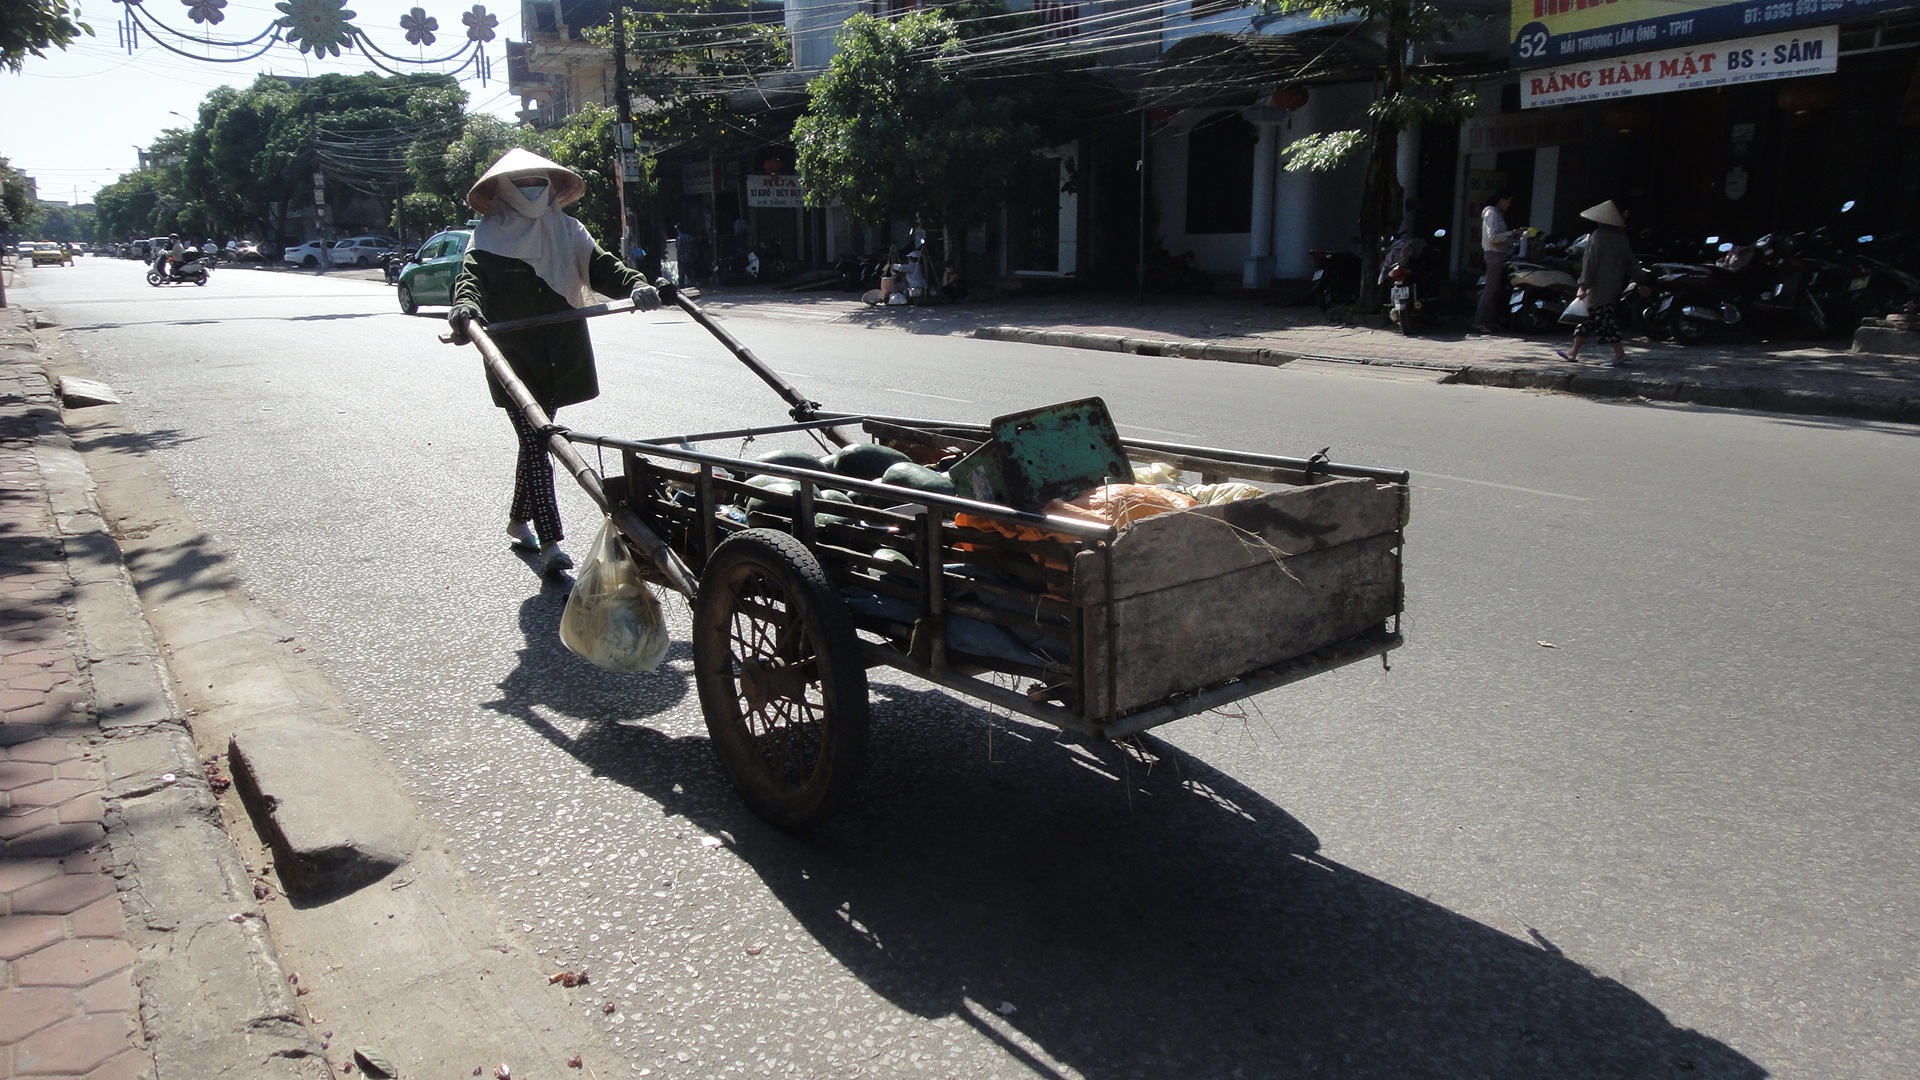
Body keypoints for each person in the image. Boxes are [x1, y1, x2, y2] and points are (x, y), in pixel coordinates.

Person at [448, 148, 661, 576]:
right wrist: (464, 309)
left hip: (558, 351)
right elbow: (469, 283)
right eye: (522, 182)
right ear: (504, 190)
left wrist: (637, 284)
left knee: (536, 439)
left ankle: (516, 520)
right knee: (539, 441)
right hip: (513, 356)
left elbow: (604, 268)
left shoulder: (569, 230)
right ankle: (550, 543)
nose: (532, 189)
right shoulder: (488, 238)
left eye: (538, 181)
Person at [1557, 200, 1648, 368]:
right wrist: (1641, 281)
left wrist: (1583, 285)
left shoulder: (1598, 236)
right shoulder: (1621, 238)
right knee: (1588, 320)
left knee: (1605, 320)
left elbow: (1590, 263)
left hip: (1598, 286)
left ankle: (1620, 354)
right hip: (1613, 285)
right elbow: (1631, 262)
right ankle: (1573, 352)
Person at [1471, 191, 1518, 334]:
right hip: (1493, 255)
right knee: (1490, 290)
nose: (1509, 205)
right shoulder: (1491, 213)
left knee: (1495, 290)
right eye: (1508, 201)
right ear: (1501, 200)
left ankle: (1490, 322)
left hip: (1500, 255)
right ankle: (1480, 322)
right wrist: (1512, 233)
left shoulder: (1497, 214)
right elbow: (1493, 237)